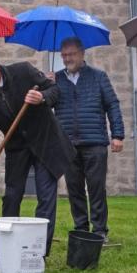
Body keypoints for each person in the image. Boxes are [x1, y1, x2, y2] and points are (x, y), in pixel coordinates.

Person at [0, 52, 75, 256]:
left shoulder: (24, 72)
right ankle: (8, 248)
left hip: (45, 142)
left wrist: (42, 97)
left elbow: (55, 90)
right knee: (11, 196)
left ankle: (40, 252)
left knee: (45, 198)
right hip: (16, 148)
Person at [50, 37, 124, 244]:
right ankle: (81, 229)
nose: (67, 59)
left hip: (95, 143)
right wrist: (46, 86)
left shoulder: (99, 77)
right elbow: (45, 106)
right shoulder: (55, 80)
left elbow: (113, 105)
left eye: (71, 54)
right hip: (67, 145)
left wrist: (118, 135)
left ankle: (100, 230)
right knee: (74, 189)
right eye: (64, 55)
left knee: (96, 188)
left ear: (82, 54)